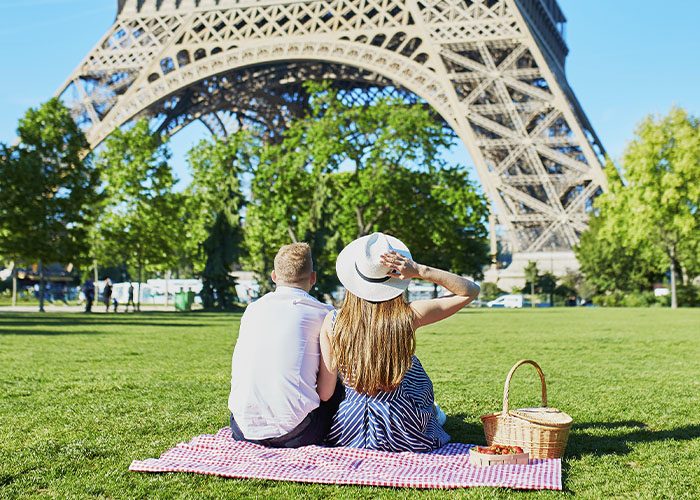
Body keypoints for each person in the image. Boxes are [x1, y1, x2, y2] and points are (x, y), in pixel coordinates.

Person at [318, 232, 480, 452]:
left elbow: (326, 393)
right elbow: (469, 291)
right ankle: (430, 413)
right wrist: (421, 271)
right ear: (396, 277)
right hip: (403, 428)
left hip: (350, 429)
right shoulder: (409, 315)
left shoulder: (333, 321)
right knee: (412, 365)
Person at [228, 242, 341, 448]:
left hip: (243, 428)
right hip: (297, 433)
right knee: (339, 383)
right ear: (313, 278)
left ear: (274, 276)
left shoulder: (253, 310)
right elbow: (326, 393)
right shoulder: (324, 314)